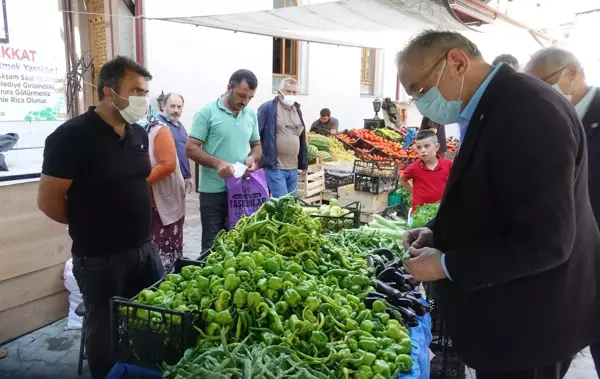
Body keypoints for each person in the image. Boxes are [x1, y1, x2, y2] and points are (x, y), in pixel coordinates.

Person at [397, 30, 600, 379]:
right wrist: (436, 233)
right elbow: (493, 197)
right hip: (512, 315)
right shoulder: (493, 104)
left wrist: (446, 265)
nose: (420, 103)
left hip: (530, 323)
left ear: (457, 62)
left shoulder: (528, 111)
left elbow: (546, 241)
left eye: (420, 89)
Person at [37, 56, 164, 379]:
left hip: (144, 249)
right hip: (100, 258)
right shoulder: (71, 136)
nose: (143, 99)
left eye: (145, 91)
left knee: (152, 322)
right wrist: (89, 222)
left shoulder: (137, 133)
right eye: (136, 91)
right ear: (110, 92)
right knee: (105, 332)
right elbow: (48, 201)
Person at [524, 47, 600, 376]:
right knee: (547, 359)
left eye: (542, 82)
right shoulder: (545, 119)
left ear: (571, 73)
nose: (535, 93)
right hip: (559, 270)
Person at [186, 69, 262, 252]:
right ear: (229, 88)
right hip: (213, 191)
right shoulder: (207, 112)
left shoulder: (250, 114)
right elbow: (190, 148)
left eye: (250, 97)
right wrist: (218, 163)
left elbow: (257, 145)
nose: (245, 102)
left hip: (242, 190)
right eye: (241, 95)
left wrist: (253, 158)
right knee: (212, 246)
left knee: (241, 242)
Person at [146, 116, 186, 269]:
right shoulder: (127, 130)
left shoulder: (158, 130)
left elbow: (168, 164)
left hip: (163, 200)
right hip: (143, 202)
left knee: (165, 249)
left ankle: (167, 278)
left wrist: (137, 183)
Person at [257, 77, 308, 197]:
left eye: (294, 92)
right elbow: (257, 135)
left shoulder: (297, 110)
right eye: (288, 91)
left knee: (292, 204)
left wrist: (303, 163)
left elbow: (302, 138)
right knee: (283, 203)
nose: (291, 94)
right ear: (279, 91)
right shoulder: (268, 108)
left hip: (293, 168)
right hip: (275, 167)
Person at [399, 130, 452, 216]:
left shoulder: (448, 165)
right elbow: (402, 179)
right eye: (419, 147)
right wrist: (414, 191)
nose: (422, 150)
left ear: (437, 147)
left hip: (442, 212)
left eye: (427, 146)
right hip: (419, 214)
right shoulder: (414, 167)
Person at [158, 92, 194, 193]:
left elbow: (183, 152)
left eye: (179, 107)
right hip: (165, 181)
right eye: (172, 106)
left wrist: (188, 176)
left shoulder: (181, 127)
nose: (176, 110)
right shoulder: (158, 125)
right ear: (163, 106)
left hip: (181, 179)